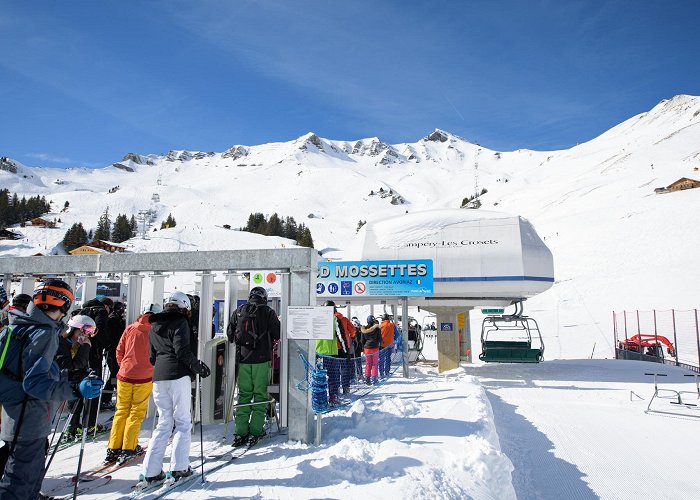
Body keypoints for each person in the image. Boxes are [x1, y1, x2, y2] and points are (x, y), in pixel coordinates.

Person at [0, 280, 103, 500]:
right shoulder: (43, 332)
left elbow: (31, 372)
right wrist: (75, 389)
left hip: (17, 413)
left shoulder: (21, 325)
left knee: (28, 476)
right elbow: (35, 383)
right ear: (64, 305)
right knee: (19, 483)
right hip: (30, 417)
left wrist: (72, 377)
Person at [139, 292, 210, 487]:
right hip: (178, 376)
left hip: (159, 377)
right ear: (185, 306)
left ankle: (150, 471)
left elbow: (152, 356)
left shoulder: (154, 324)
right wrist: (198, 367)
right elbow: (182, 351)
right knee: (182, 422)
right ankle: (179, 467)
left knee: (163, 423)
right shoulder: (180, 322)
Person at [103, 303, 161, 466]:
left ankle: (113, 447)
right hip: (145, 376)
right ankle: (128, 448)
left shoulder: (130, 328)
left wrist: (124, 365)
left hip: (125, 375)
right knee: (136, 412)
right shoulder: (156, 331)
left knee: (121, 410)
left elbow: (119, 350)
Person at [227, 286, 280, 448]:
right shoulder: (268, 312)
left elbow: (230, 335)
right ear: (264, 297)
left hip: (243, 361)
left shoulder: (239, 311)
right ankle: (256, 430)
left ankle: (240, 431)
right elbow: (277, 333)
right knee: (260, 396)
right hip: (263, 361)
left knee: (243, 395)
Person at [65, 298, 111, 439]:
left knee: (75, 391)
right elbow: (103, 337)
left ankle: (72, 426)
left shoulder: (81, 312)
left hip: (77, 362)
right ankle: (89, 424)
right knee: (92, 391)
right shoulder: (101, 313)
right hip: (91, 359)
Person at [315, 304, 345, 405]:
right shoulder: (334, 319)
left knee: (319, 377)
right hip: (331, 354)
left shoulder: (316, 318)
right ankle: (333, 397)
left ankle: (320, 399)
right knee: (333, 377)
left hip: (318, 354)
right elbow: (341, 336)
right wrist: (346, 351)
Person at [324, 301, 355, 393]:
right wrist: (352, 337)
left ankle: (335, 389)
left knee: (334, 370)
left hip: (332, 348)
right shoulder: (344, 319)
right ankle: (346, 387)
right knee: (345, 368)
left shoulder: (325, 319)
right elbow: (352, 330)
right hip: (344, 347)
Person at [102, 300, 126, 409]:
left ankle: (107, 397)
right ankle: (105, 398)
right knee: (115, 374)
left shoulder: (110, 319)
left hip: (111, 351)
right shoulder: (117, 321)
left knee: (114, 374)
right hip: (114, 351)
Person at [361, 315, 382, 385]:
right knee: (375, 364)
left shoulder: (364, 330)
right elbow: (380, 339)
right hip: (375, 348)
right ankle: (374, 378)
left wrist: (363, 347)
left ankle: (367, 379)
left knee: (368, 364)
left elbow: (362, 340)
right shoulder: (377, 329)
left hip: (367, 348)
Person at [379, 314, 398, 378]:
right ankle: (387, 372)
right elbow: (396, 334)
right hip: (390, 344)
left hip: (382, 345)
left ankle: (381, 373)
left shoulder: (381, 325)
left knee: (381, 359)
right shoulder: (392, 325)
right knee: (388, 359)